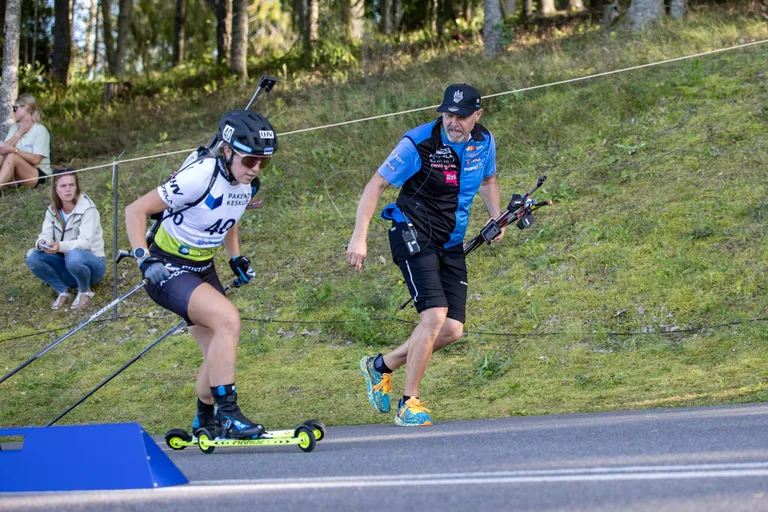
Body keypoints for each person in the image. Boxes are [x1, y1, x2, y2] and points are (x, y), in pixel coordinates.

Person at [346, 84, 504, 427]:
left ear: (477, 115)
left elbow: (489, 181)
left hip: (450, 240)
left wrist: (495, 215)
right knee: (433, 316)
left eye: (461, 117)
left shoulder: (484, 142)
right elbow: (375, 185)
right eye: (448, 115)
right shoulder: (419, 143)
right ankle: (409, 403)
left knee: (451, 329)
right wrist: (359, 236)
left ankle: (381, 366)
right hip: (411, 230)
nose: (453, 122)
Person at [124, 110, 277, 440]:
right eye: (250, 160)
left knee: (216, 353)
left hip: (202, 268)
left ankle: (204, 419)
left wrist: (235, 257)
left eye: (263, 162)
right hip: (166, 267)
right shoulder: (199, 176)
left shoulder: (246, 184)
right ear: (227, 151)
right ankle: (229, 415)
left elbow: (230, 215)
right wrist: (143, 260)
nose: (255, 169)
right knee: (228, 321)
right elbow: (134, 210)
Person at [25, 171, 107, 310]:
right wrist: (42, 243)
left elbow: (85, 242)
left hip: (91, 266)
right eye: (63, 186)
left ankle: (84, 290)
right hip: (67, 265)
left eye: (71, 185)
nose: (68, 189)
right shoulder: (52, 210)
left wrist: (60, 246)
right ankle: (63, 290)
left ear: (77, 187)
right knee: (32, 256)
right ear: (56, 189)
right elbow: (45, 233)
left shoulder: (88, 209)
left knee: (74, 255)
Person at [0, 94, 51, 189]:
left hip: (38, 174)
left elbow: (36, 160)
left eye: (15, 108)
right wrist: (19, 133)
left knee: (12, 156)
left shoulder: (40, 130)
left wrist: (15, 151)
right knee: (2, 154)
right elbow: (3, 149)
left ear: (26, 108)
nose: (13, 111)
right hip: (17, 175)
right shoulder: (15, 127)